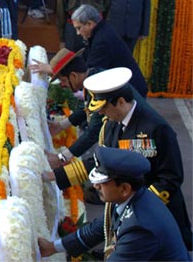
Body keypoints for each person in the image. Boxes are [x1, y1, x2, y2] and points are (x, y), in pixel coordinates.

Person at [48, 67, 192, 251]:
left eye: (104, 107)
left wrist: (139, 206)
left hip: (157, 214)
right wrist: (57, 176)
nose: (100, 113)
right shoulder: (111, 126)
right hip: (124, 204)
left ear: (121, 102)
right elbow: (101, 162)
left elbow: (171, 178)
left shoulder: (156, 128)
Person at [39, 146, 191, 261]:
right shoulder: (129, 198)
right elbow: (100, 227)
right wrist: (53, 247)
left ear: (124, 188)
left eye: (102, 183)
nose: (95, 187)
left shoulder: (140, 226)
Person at [71, 4, 148, 97]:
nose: (78, 33)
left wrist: (78, 90)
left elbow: (92, 72)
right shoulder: (100, 32)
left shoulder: (102, 39)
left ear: (89, 24)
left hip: (132, 92)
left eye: (79, 28)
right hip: (126, 88)